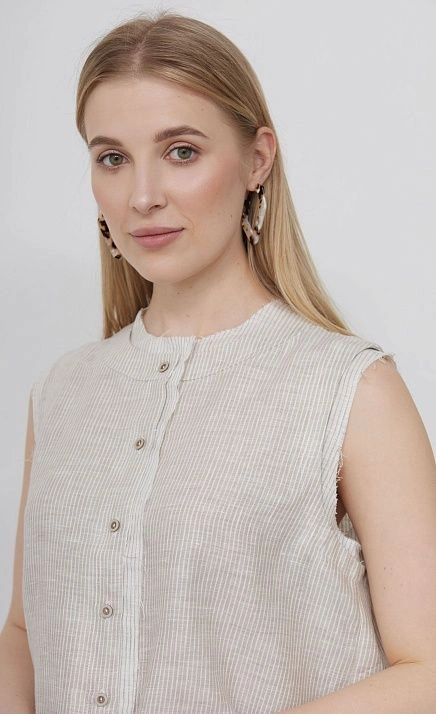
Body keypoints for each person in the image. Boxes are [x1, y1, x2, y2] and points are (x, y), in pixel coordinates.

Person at [1, 11, 435, 714]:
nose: (143, 196)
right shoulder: (61, 392)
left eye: (181, 151)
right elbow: (25, 633)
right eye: (112, 158)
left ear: (257, 159)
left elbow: (428, 669)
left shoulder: (350, 390)